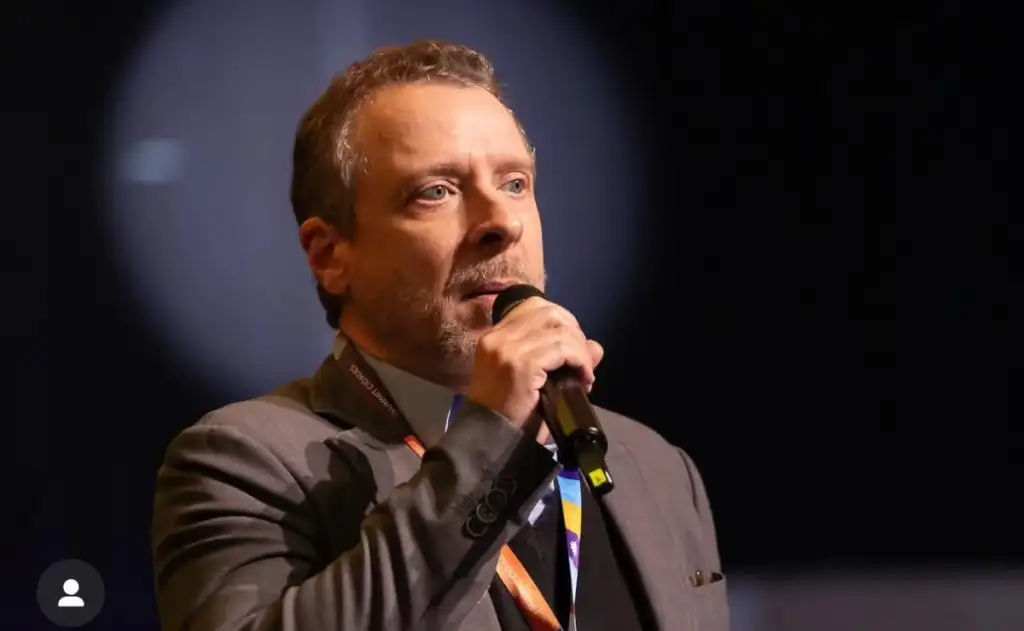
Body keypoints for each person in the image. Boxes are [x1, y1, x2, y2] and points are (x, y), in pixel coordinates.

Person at [151, 40, 729, 631]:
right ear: (330, 256)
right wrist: (492, 439)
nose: (501, 223)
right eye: (437, 191)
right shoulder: (242, 464)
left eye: (514, 184)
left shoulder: (657, 467)